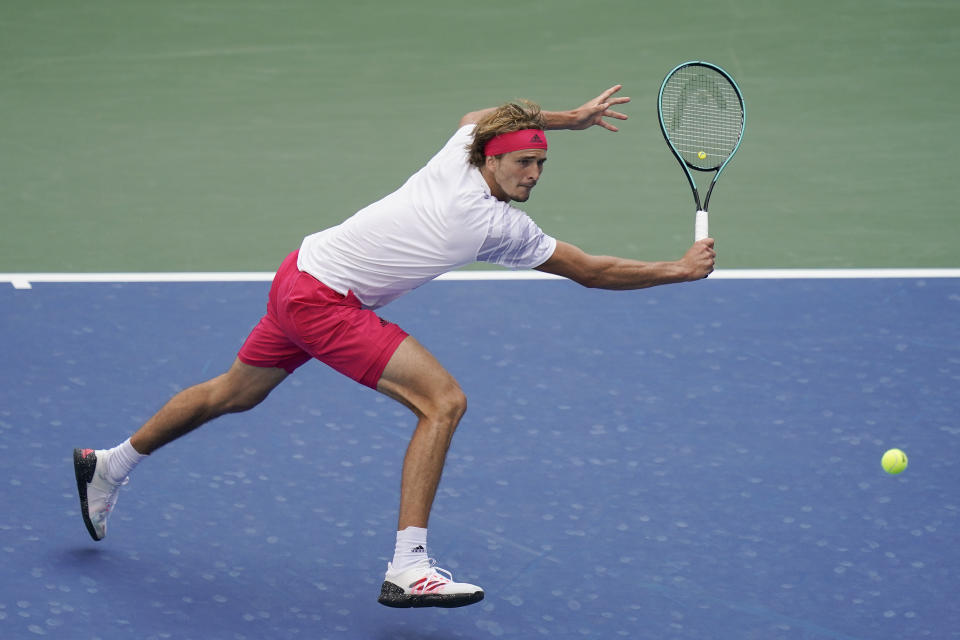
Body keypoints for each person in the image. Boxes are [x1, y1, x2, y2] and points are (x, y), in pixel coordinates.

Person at [73, 85, 716, 609]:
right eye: (524, 161)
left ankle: (110, 463)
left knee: (233, 393)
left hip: (303, 270)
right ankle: (409, 566)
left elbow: (481, 118)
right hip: (325, 302)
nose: (534, 173)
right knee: (444, 402)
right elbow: (590, 270)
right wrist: (678, 269)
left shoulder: (464, 149)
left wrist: (567, 120)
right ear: (491, 161)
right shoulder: (489, 223)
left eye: (542, 162)